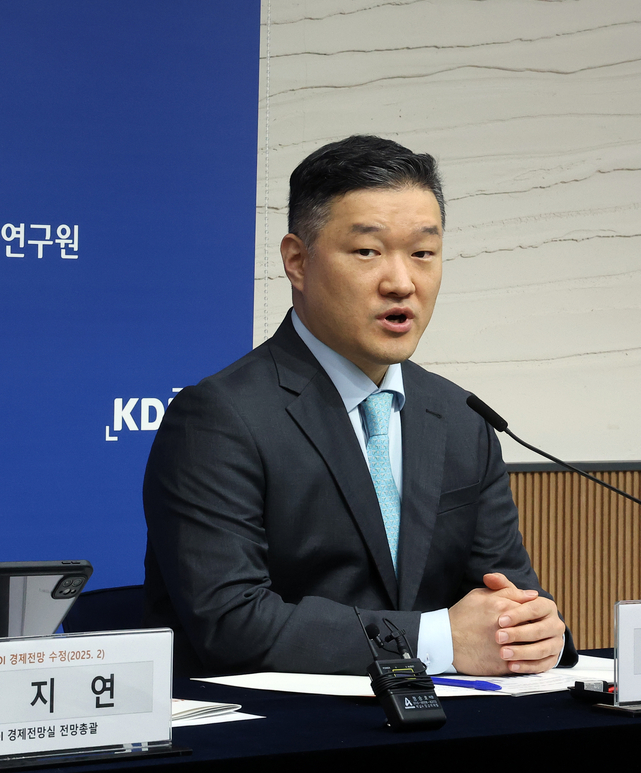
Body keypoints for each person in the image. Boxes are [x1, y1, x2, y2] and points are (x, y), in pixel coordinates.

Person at [143, 135, 574, 677]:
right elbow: (232, 623)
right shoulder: (221, 418)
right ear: (297, 262)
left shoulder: (461, 418)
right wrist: (437, 641)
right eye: (368, 252)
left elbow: (509, 596)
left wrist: (535, 633)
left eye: (423, 253)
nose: (402, 282)